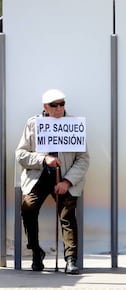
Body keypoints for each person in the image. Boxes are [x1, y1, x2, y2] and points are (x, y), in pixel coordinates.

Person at [16, 89, 89, 274]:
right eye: (54, 105)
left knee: (67, 212)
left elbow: (83, 159)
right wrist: (42, 159)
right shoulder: (33, 124)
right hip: (38, 176)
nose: (59, 109)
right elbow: (21, 154)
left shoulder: (72, 125)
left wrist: (67, 181)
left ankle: (71, 259)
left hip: (64, 176)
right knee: (28, 207)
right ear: (45, 107)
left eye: (62, 104)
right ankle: (36, 252)